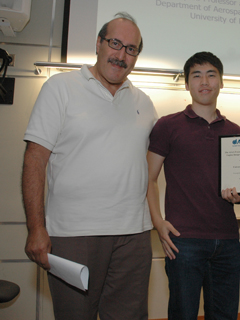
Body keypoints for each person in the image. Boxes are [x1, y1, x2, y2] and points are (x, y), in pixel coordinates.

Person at [22, 12, 157, 320]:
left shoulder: (145, 102)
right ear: (98, 43)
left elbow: (160, 165)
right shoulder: (60, 88)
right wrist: (36, 228)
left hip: (134, 236)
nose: (121, 55)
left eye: (131, 49)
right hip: (73, 235)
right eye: (115, 43)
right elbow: (35, 159)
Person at [147, 51, 240, 320]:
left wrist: (238, 195)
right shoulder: (167, 126)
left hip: (227, 241)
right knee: (183, 314)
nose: (204, 81)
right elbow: (149, 178)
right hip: (183, 240)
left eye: (211, 74)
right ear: (187, 83)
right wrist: (158, 221)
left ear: (221, 82)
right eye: (197, 75)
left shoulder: (236, 132)